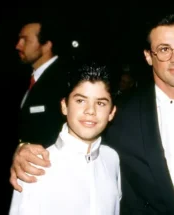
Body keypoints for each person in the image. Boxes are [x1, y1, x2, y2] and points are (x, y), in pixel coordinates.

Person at [10, 14, 174, 214]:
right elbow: (79, 138)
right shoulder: (120, 114)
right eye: (164, 49)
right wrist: (23, 150)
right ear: (148, 56)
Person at [9, 62, 121, 215]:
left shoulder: (112, 159)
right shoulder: (35, 166)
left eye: (100, 103)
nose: (90, 110)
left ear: (111, 113)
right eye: (80, 100)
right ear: (64, 106)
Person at [15, 17, 69, 148]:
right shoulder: (26, 78)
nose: (18, 45)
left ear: (46, 45)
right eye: (19, 39)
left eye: (25, 40)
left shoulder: (65, 80)